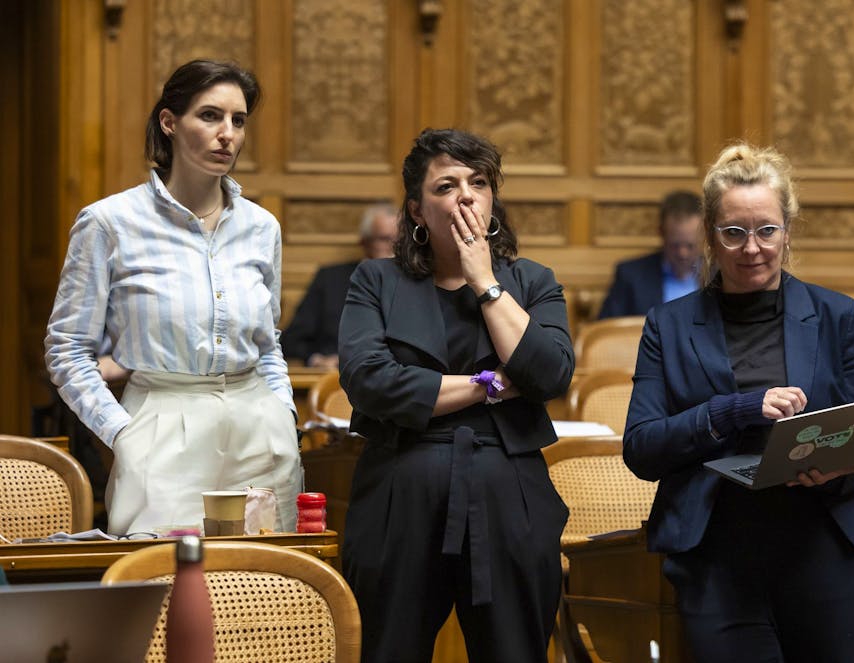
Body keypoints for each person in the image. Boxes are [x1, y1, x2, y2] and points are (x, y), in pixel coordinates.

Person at [623, 143, 854, 663]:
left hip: (822, 543)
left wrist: (837, 471)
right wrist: (732, 410)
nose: (752, 249)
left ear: (788, 230)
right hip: (716, 555)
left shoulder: (838, 315)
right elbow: (642, 448)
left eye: (766, 230)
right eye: (734, 233)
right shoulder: (669, 325)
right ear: (710, 236)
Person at [338, 128, 573, 663]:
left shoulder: (532, 282)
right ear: (418, 211)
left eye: (479, 182)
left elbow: (550, 375)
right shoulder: (377, 280)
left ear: (492, 199)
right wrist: (487, 385)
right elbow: (370, 381)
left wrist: (484, 281)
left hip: (509, 494)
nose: (466, 195)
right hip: (400, 492)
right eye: (446, 186)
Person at [45, 60, 302, 535]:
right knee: (162, 588)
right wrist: (123, 432)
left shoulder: (262, 227)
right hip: (161, 424)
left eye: (238, 120)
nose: (227, 133)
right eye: (210, 116)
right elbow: (66, 350)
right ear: (169, 122)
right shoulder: (109, 222)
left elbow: (269, 343)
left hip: (260, 427)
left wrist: (283, 412)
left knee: (263, 589)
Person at [280, 203, 398, 370]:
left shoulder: (417, 284)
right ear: (364, 242)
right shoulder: (330, 280)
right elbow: (291, 340)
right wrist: (318, 360)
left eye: (400, 240)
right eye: (385, 239)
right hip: (337, 380)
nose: (394, 248)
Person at [598, 189, 703, 318]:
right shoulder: (631, 276)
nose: (683, 253)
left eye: (690, 245)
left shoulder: (720, 276)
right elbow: (605, 331)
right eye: (674, 245)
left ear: (704, 236)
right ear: (661, 233)